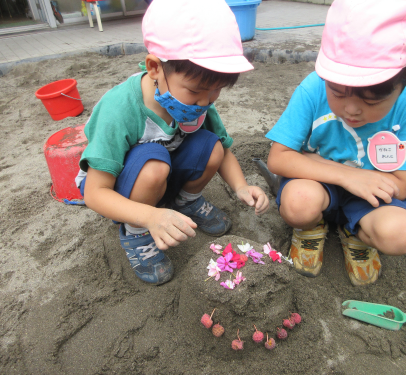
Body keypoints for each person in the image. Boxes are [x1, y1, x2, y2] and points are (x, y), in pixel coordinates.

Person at [75, 0, 269, 285]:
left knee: (211, 146)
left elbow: (224, 150)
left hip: (164, 171)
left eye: (215, 91)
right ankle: (136, 233)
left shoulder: (197, 102)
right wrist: (149, 217)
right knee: (152, 164)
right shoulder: (120, 109)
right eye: (196, 91)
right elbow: (94, 193)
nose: (205, 101)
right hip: (121, 184)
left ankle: (184, 202)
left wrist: (241, 186)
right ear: (155, 67)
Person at [266, 0, 406, 286]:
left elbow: (400, 185)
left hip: (372, 197)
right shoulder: (314, 87)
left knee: (399, 235)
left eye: (371, 100)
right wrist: (348, 175)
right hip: (317, 185)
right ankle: (311, 228)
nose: (351, 109)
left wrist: (312, 161)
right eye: (337, 93)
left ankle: (356, 233)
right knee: (299, 204)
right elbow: (277, 158)